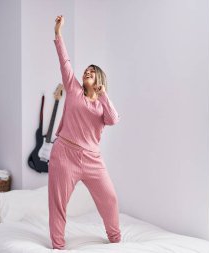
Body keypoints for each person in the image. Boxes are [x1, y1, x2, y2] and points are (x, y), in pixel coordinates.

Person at [48, 15, 121, 250]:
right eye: (86, 70)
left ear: (99, 79)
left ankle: (116, 241)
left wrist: (103, 95)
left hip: (92, 159)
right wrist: (58, 34)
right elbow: (65, 62)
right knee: (58, 203)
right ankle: (58, 246)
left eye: (92, 71)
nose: (87, 71)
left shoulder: (102, 104)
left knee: (109, 198)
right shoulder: (73, 89)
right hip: (65, 154)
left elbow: (113, 120)